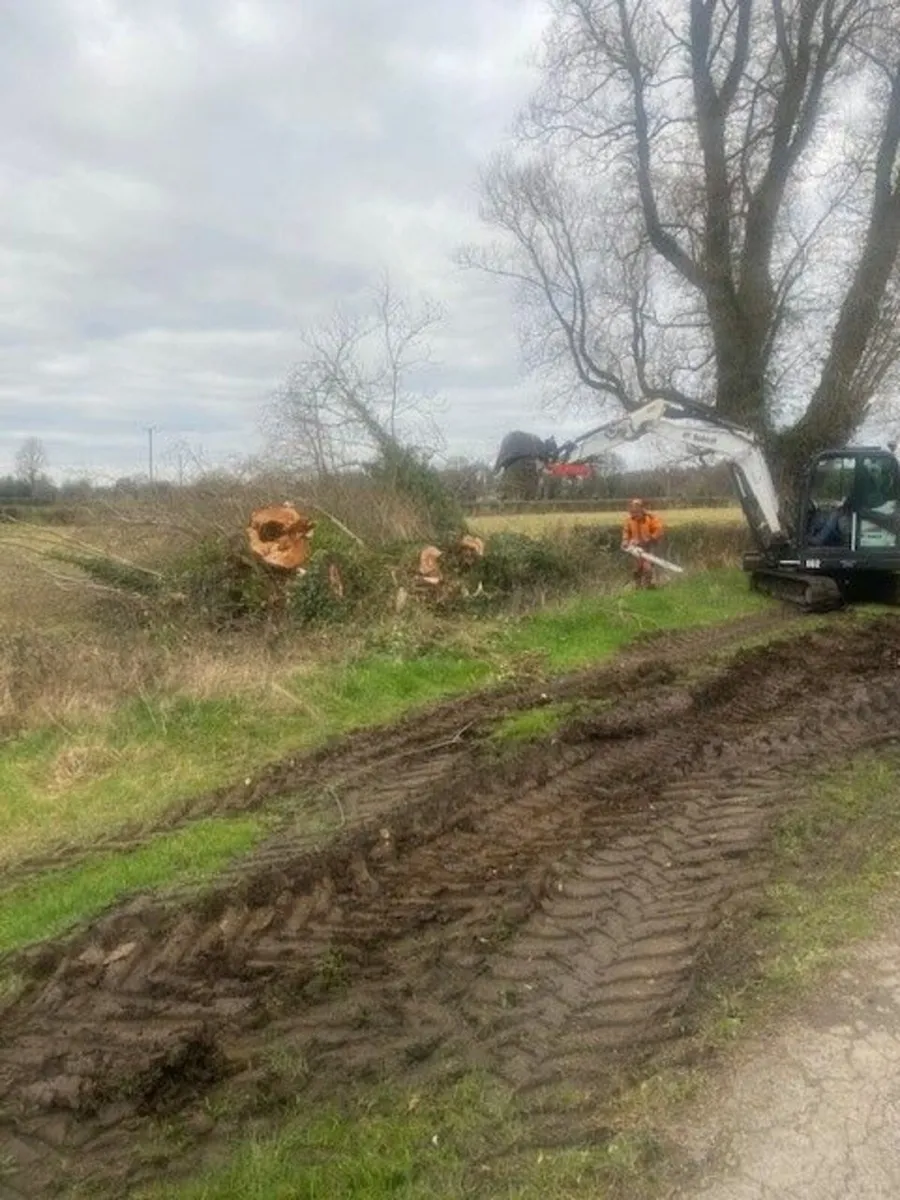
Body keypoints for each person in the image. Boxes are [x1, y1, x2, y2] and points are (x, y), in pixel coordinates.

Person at [621, 498, 664, 588]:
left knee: (647, 567)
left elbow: (659, 530)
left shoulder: (651, 518)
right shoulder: (629, 520)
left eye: (637, 510)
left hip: (650, 545)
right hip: (636, 547)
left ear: (642, 509)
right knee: (637, 568)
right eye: (633, 510)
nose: (634, 513)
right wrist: (625, 541)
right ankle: (638, 586)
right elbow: (626, 532)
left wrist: (650, 538)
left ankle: (648, 585)